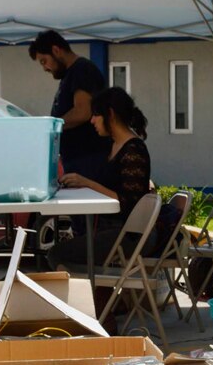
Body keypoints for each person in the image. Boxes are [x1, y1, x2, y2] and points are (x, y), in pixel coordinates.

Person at [48, 87, 153, 271]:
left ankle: (92, 294)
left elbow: (128, 203)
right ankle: (100, 293)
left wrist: (87, 183)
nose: (92, 120)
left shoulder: (133, 150)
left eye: (96, 114)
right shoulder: (113, 146)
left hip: (128, 236)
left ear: (110, 114)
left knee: (57, 254)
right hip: (114, 231)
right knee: (66, 249)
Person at [29, 31, 109, 181]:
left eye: (43, 61)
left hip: (88, 159)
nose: (45, 68)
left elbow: (82, 112)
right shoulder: (71, 74)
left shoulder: (82, 69)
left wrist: (52, 126)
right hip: (78, 159)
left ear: (56, 50)